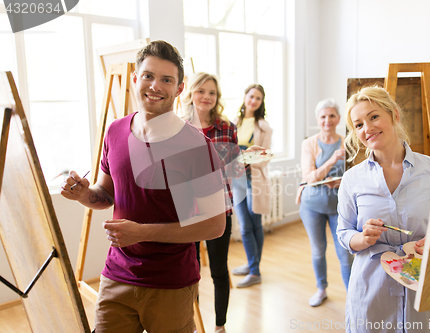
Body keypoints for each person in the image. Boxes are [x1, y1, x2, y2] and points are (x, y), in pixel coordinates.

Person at [61, 40, 226, 333]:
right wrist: (84, 195)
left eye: (166, 79)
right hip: (116, 276)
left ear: (179, 88)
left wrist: (142, 232)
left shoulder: (197, 147)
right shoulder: (115, 131)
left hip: (171, 283)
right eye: (148, 76)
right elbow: (106, 195)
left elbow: (214, 226)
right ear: (135, 78)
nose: (155, 86)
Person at [337, 85, 430, 332]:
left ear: (394, 115)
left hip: (422, 288)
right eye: (359, 125)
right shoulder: (352, 179)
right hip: (371, 290)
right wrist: (362, 238)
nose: (368, 128)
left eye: (374, 116)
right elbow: (343, 233)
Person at [181, 72, 239, 333]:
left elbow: (235, 170)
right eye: (201, 91)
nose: (206, 97)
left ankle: (219, 326)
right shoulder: (177, 127)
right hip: (186, 210)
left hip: (219, 207)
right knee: (188, 272)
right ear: (191, 93)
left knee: (218, 270)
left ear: (217, 98)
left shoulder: (227, 127)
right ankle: (190, 323)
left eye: (212, 93)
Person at [296, 98, 354, 307]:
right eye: (323, 116)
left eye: (331, 116)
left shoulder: (348, 142)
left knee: (345, 254)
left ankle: (352, 297)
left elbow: (356, 176)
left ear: (338, 118)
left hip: (341, 208)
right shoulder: (309, 144)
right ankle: (321, 289)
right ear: (317, 120)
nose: (327, 120)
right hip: (312, 206)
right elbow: (309, 177)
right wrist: (332, 161)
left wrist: (341, 181)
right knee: (318, 250)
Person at [231, 84, 273, 288]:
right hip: (236, 180)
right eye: (251, 96)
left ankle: (255, 271)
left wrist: (247, 159)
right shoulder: (233, 123)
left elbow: (266, 157)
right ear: (245, 97)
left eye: (258, 98)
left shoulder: (264, 127)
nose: (253, 101)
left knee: (254, 225)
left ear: (261, 102)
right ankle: (251, 265)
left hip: (253, 179)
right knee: (245, 225)